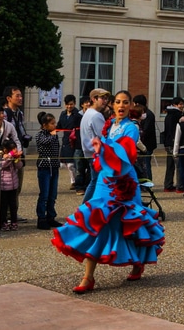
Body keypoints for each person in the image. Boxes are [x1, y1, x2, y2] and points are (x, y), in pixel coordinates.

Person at [53, 89, 165, 294]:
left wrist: (102, 147)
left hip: (124, 183)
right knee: (95, 222)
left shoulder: (131, 128)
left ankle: (137, 263)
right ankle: (88, 276)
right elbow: (103, 151)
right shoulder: (108, 126)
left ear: (130, 106)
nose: (121, 106)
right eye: (118, 102)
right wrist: (100, 149)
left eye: (125, 102)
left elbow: (125, 152)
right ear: (112, 105)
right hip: (105, 181)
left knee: (128, 224)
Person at [35, 111, 63, 230]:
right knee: (44, 194)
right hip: (44, 167)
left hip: (54, 166)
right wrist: (52, 135)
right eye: (52, 123)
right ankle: (41, 218)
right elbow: (44, 142)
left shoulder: (54, 135)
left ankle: (51, 216)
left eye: (55, 123)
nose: (54, 125)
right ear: (44, 125)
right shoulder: (40, 135)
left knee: (53, 194)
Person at [80, 88, 110, 202]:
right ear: (94, 99)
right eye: (102, 98)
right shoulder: (96, 115)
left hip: (90, 152)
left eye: (106, 98)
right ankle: (84, 207)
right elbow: (104, 135)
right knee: (96, 181)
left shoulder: (88, 113)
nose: (105, 101)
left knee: (95, 181)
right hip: (96, 154)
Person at [0, 137, 23, 231]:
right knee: (3, 205)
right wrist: (10, 156)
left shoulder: (13, 157)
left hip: (13, 185)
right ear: (5, 150)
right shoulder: (0, 156)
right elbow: (2, 165)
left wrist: (17, 159)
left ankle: (14, 221)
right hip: (4, 186)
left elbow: (19, 166)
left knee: (13, 205)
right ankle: (3, 222)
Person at [57, 95, 82, 192]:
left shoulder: (78, 115)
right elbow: (59, 125)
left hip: (74, 141)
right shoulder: (63, 114)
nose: (69, 106)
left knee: (72, 163)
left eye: (71, 104)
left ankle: (75, 181)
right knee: (66, 164)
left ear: (74, 104)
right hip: (65, 140)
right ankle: (73, 180)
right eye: (67, 105)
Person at [133, 95, 158, 182]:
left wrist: (142, 146)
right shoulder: (146, 113)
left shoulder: (148, 115)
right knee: (143, 165)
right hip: (144, 144)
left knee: (146, 165)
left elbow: (145, 130)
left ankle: (148, 182)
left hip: (146, 144)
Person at [162, 96, 184, 192]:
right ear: (175, 105)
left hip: (167, 142)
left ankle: (168, 185)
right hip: (174, 142)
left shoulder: (168, 115)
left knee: (170, 165)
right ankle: (180, 186)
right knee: (179, 165)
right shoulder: (177, 115)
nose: (182, 106)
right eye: (180, 104)